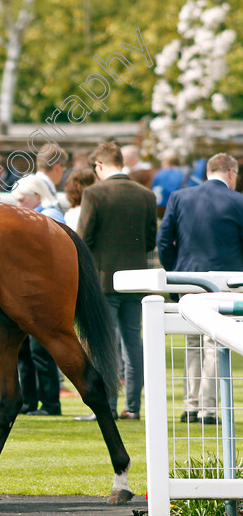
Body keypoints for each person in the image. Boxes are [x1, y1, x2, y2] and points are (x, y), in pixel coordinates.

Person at [157, 153, 243, 425]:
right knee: (213, 342)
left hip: (188, 279)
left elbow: (163, 241)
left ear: (208, 171)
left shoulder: (180, 198)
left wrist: (177, 274)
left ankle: (191, 406)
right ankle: (207, 408)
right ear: (231, 172)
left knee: (192, 342)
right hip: (225, 283)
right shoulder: (239, 201)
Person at [77, 141, 156, 421]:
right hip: (136, 280)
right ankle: (132, 407)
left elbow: (82, 241)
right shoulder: (146, 195)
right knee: (133, 344)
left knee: (104, 345)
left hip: (103, 281)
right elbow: (150, 242)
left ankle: (107, 406)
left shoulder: (94, 193)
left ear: (99, 165)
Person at [11, 174, 66, 416]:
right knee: (24, 350)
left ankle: (50, 403)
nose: (19, 204)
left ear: (36, 195)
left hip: (43, 292)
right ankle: (29, 402)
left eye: (22, 199)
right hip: (27, 290)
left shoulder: (51, 216)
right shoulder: (33, 215)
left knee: (40, 350)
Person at [152, 150, 185, 219]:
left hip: (160, 206)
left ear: (166, 163)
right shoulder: (183, 173)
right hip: (178, 208)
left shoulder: (160, 173)